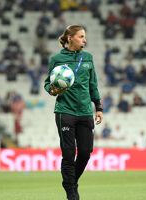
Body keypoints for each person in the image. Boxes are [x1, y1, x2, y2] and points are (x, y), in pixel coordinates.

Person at [44, 25, 103, 200]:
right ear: (70, 38)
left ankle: (70, 182)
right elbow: (48, 83)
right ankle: (71, 192)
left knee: (85, 152)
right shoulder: (56, 59)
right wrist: (53, 90)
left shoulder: (88, 58)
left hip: (85, 111)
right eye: (81, 36)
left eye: (84, 36)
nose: (85, 40)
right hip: (65, 111)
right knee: (69, 154)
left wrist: (98, 107)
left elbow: (93, 84)